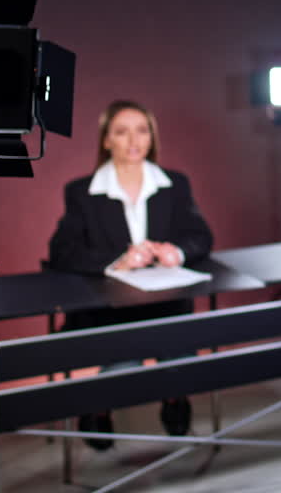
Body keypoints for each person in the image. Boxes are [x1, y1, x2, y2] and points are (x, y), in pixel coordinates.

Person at [49, 100, 214, 450]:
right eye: (121, 132)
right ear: (106, 140)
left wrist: (177, 251)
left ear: (152, 137)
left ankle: (174, 399)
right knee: (128, 357)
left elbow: (201, 236)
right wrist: (118, 261)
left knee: (178, 354)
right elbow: (62, 252)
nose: (133, 140)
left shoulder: (174, 184)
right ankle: (99, 406)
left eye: (142, 130)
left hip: (165, 302)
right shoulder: (81, 191)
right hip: (111, 309)